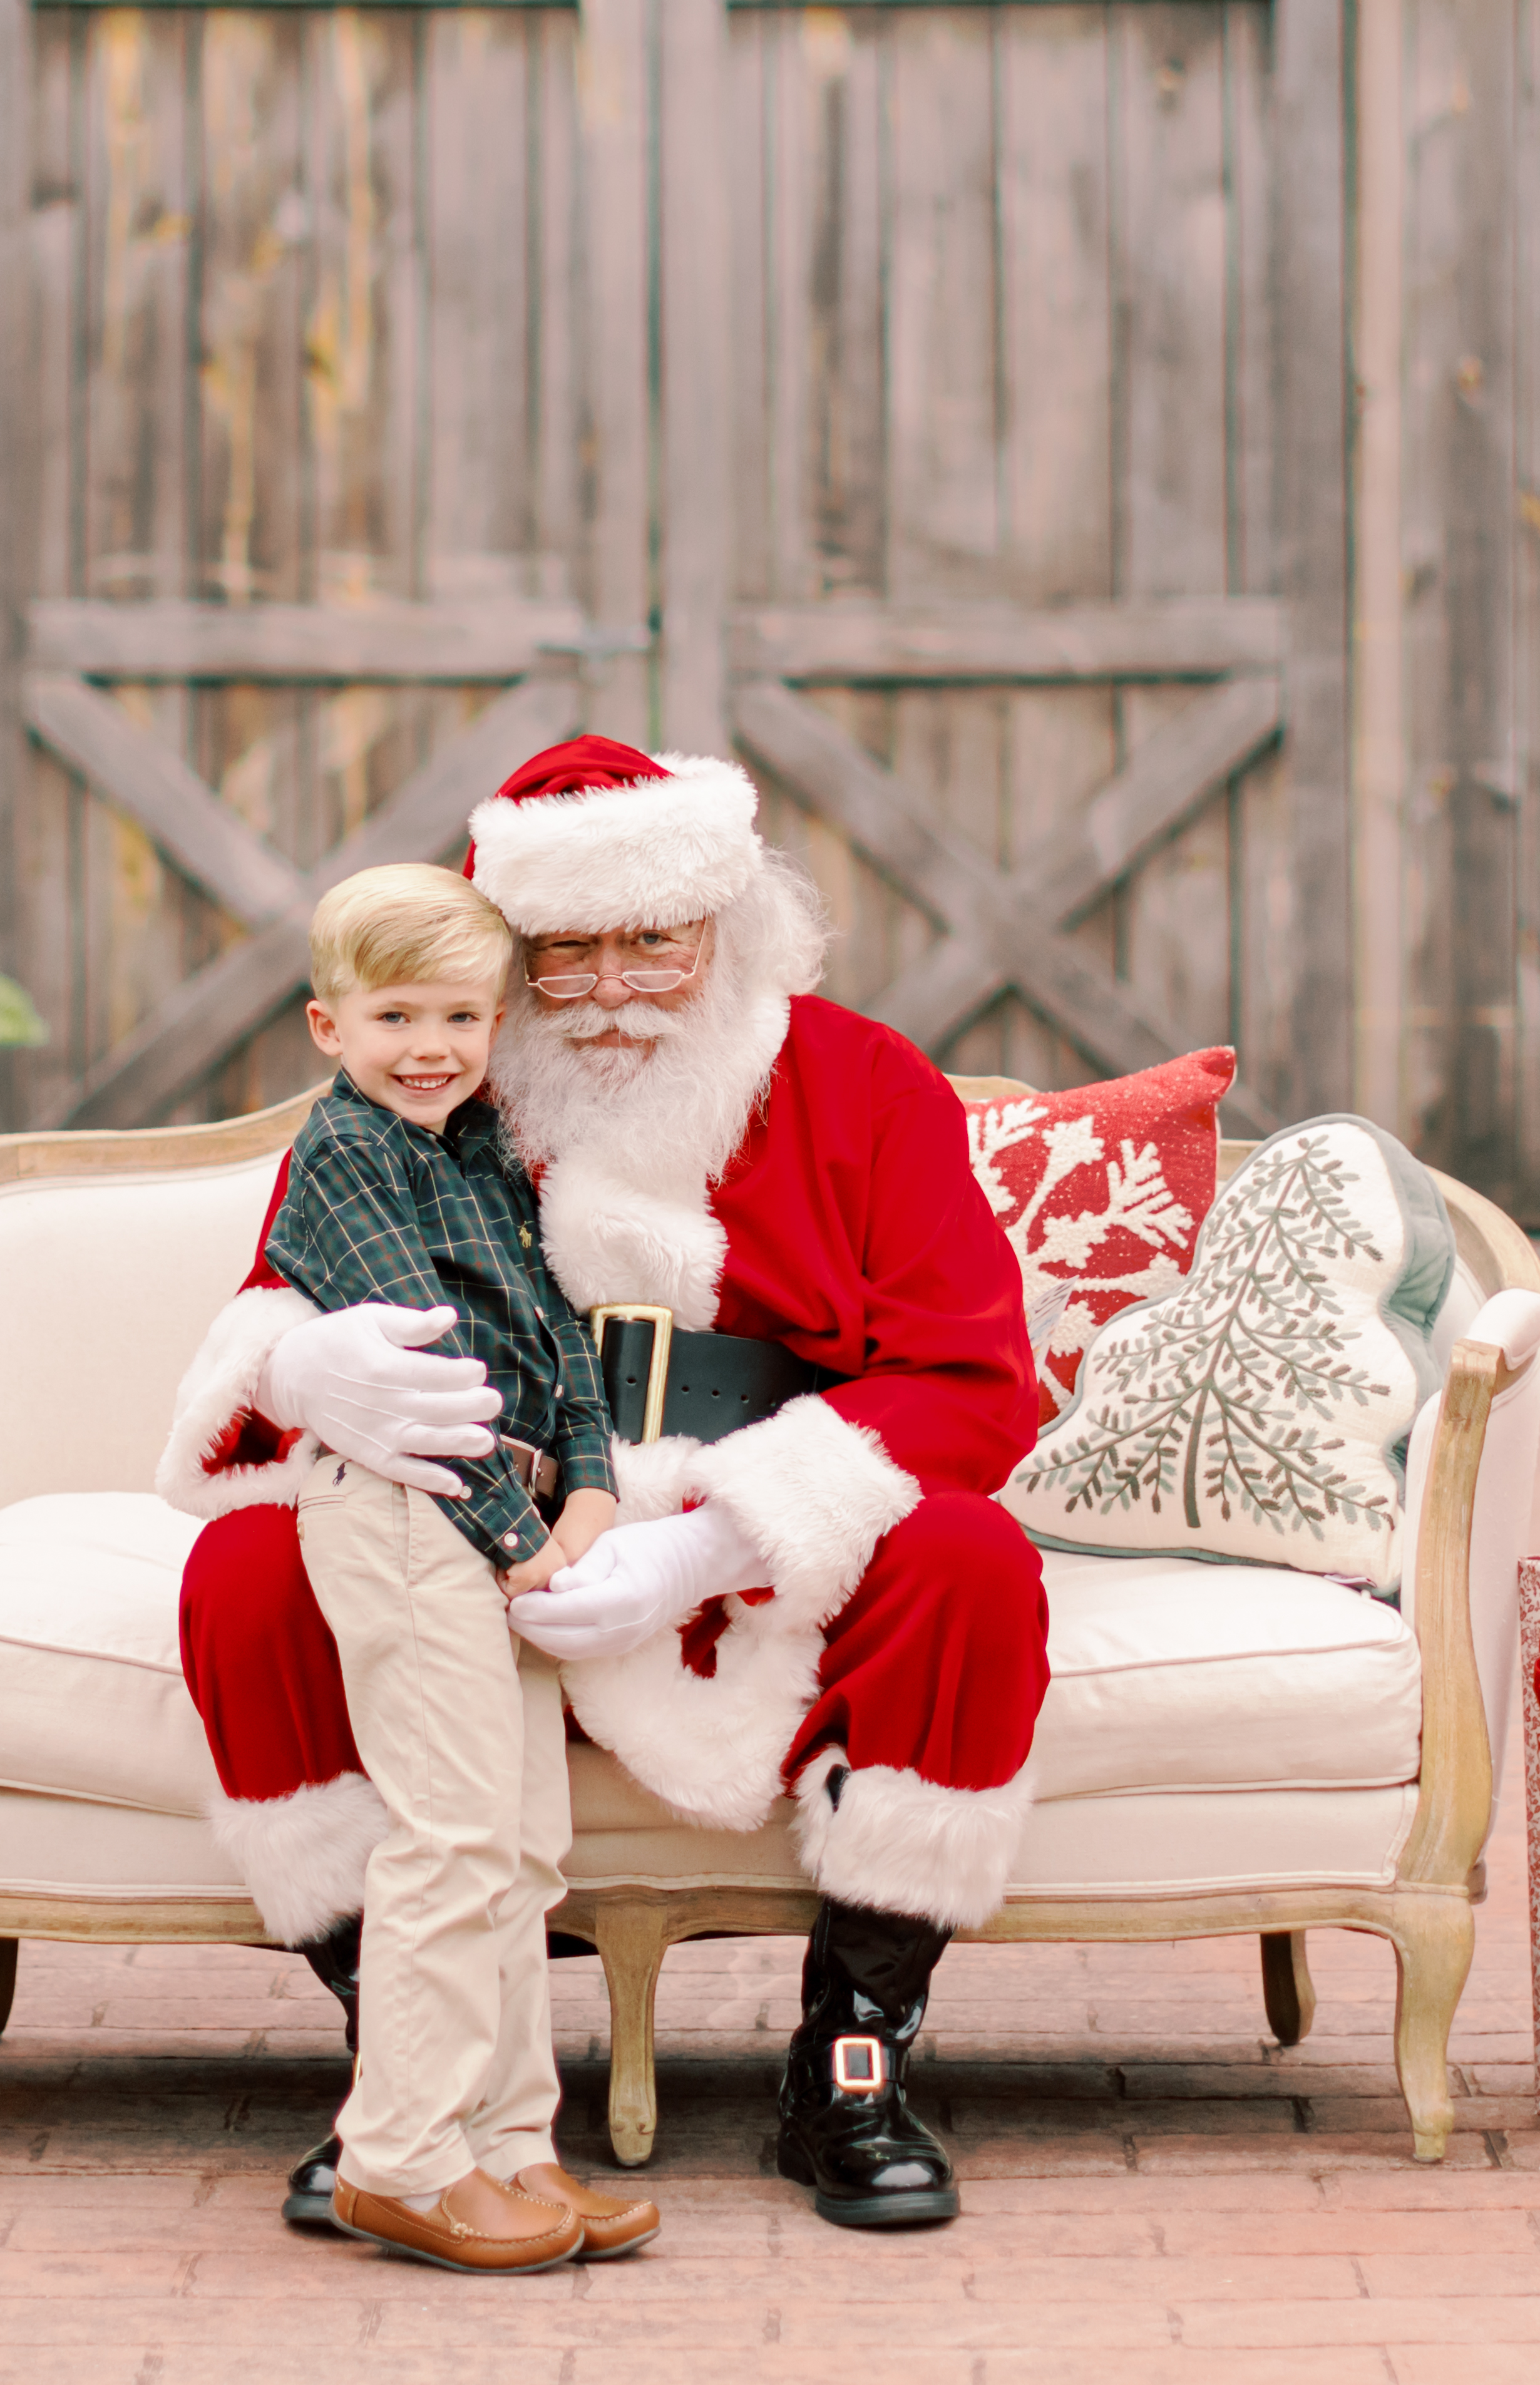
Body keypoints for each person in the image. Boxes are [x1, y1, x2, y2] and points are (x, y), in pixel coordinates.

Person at [161, 739, 1051, 2231]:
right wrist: (305, 1370)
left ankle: (850, 2063)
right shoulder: (421, 1087)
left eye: (655, 938)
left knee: (970, 1562)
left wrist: (713, 1542)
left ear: (728, 923)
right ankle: (411, 2085)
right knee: (246, 1577)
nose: (617, 983)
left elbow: (971, 1379)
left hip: (755, 1550)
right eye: (563, 955)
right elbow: (277, 1310)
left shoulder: (861, 1079)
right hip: (481, 1517)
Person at [242, 864, 658, 2274]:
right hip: (411, 1512)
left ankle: (510, 2149)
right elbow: (437, 1369)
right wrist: (521, 1539)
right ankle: (402, 2158)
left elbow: (547, 1331)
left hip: (510, 1524)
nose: (430, 1045)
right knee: (453, 1838)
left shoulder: (479, 1145)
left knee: (527, 1849)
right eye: (395, 1015)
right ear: (327, 1025)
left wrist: (593, 1480)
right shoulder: (345, 1157)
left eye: (462, 1016)